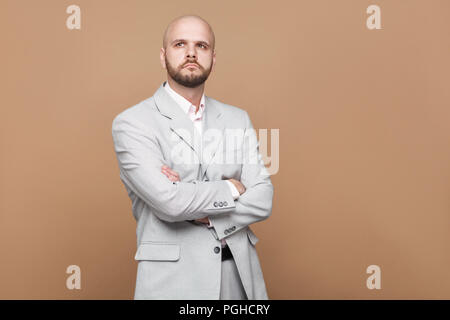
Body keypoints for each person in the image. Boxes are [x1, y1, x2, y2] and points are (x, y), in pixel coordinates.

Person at [111, 14, 273, 300]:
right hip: (173, 284)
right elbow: (169, 203)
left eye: (201, 46)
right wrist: (230, 188)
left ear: (213, 57)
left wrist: (196, 202)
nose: (191, 53)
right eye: (179, 44)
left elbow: (263, 198)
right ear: (163, 56)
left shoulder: (237, 118)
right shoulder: (132, 123)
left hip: (239, 279)